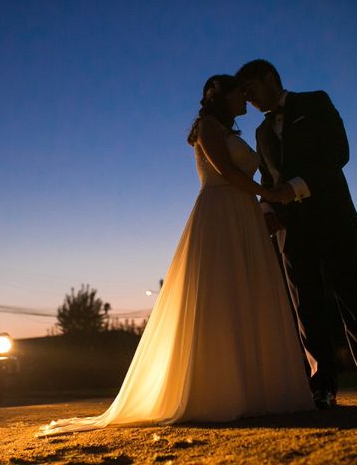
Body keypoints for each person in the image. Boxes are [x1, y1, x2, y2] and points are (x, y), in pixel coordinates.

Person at [37, 75, 313, 437]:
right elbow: (225, 171)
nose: (245, 99)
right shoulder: (207, 127)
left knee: (249, 291)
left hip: (244, 214)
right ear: (223, 96)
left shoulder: (238, 133)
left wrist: (262, 205)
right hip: (219, 213)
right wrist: (269, 194)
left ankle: (256, 390)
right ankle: (219, 390)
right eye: (239, 93)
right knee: (219, 295)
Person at [235, 59, 357, 408]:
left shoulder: (316, 102)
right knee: (307, 309)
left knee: (353, 299)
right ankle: (322, 388)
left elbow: (337, 153)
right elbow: (270, 180)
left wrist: (297, 187)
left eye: (251, 90)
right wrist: (269, 210)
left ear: (270, 79)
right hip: (290, 230)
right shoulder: (261, 132)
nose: (250, 100)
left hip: (332, 218)